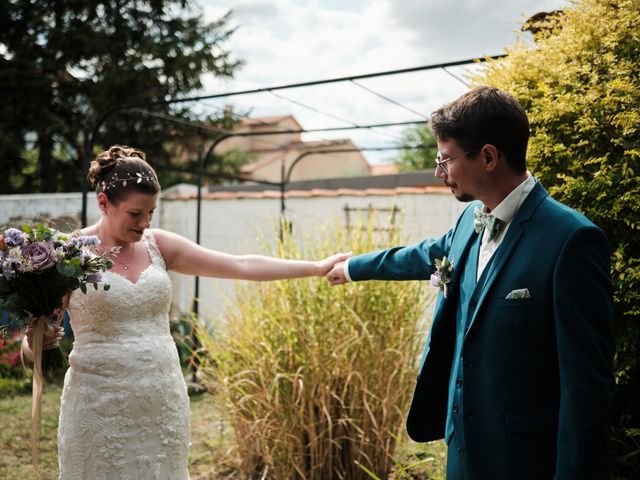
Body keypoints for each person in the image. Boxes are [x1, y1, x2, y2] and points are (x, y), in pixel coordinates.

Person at [326, 87, 615, 479]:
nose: (438, 171)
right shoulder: (468, 221)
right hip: (460, 454)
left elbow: (586, 392)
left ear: (489, 157)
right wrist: (352, 266)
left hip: (524, 462)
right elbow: (423, 254)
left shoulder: (571, 241)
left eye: (445, 159)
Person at [23, 145, 350, 479]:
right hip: (96, 405)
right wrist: (41, 339)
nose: (145, 222)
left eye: (151, 211)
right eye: (136, 214)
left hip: (162, 400)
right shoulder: (67, 256)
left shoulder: (159, 246)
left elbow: (240, 264)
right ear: (104, 203)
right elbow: (30, 344)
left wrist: (315, 267)